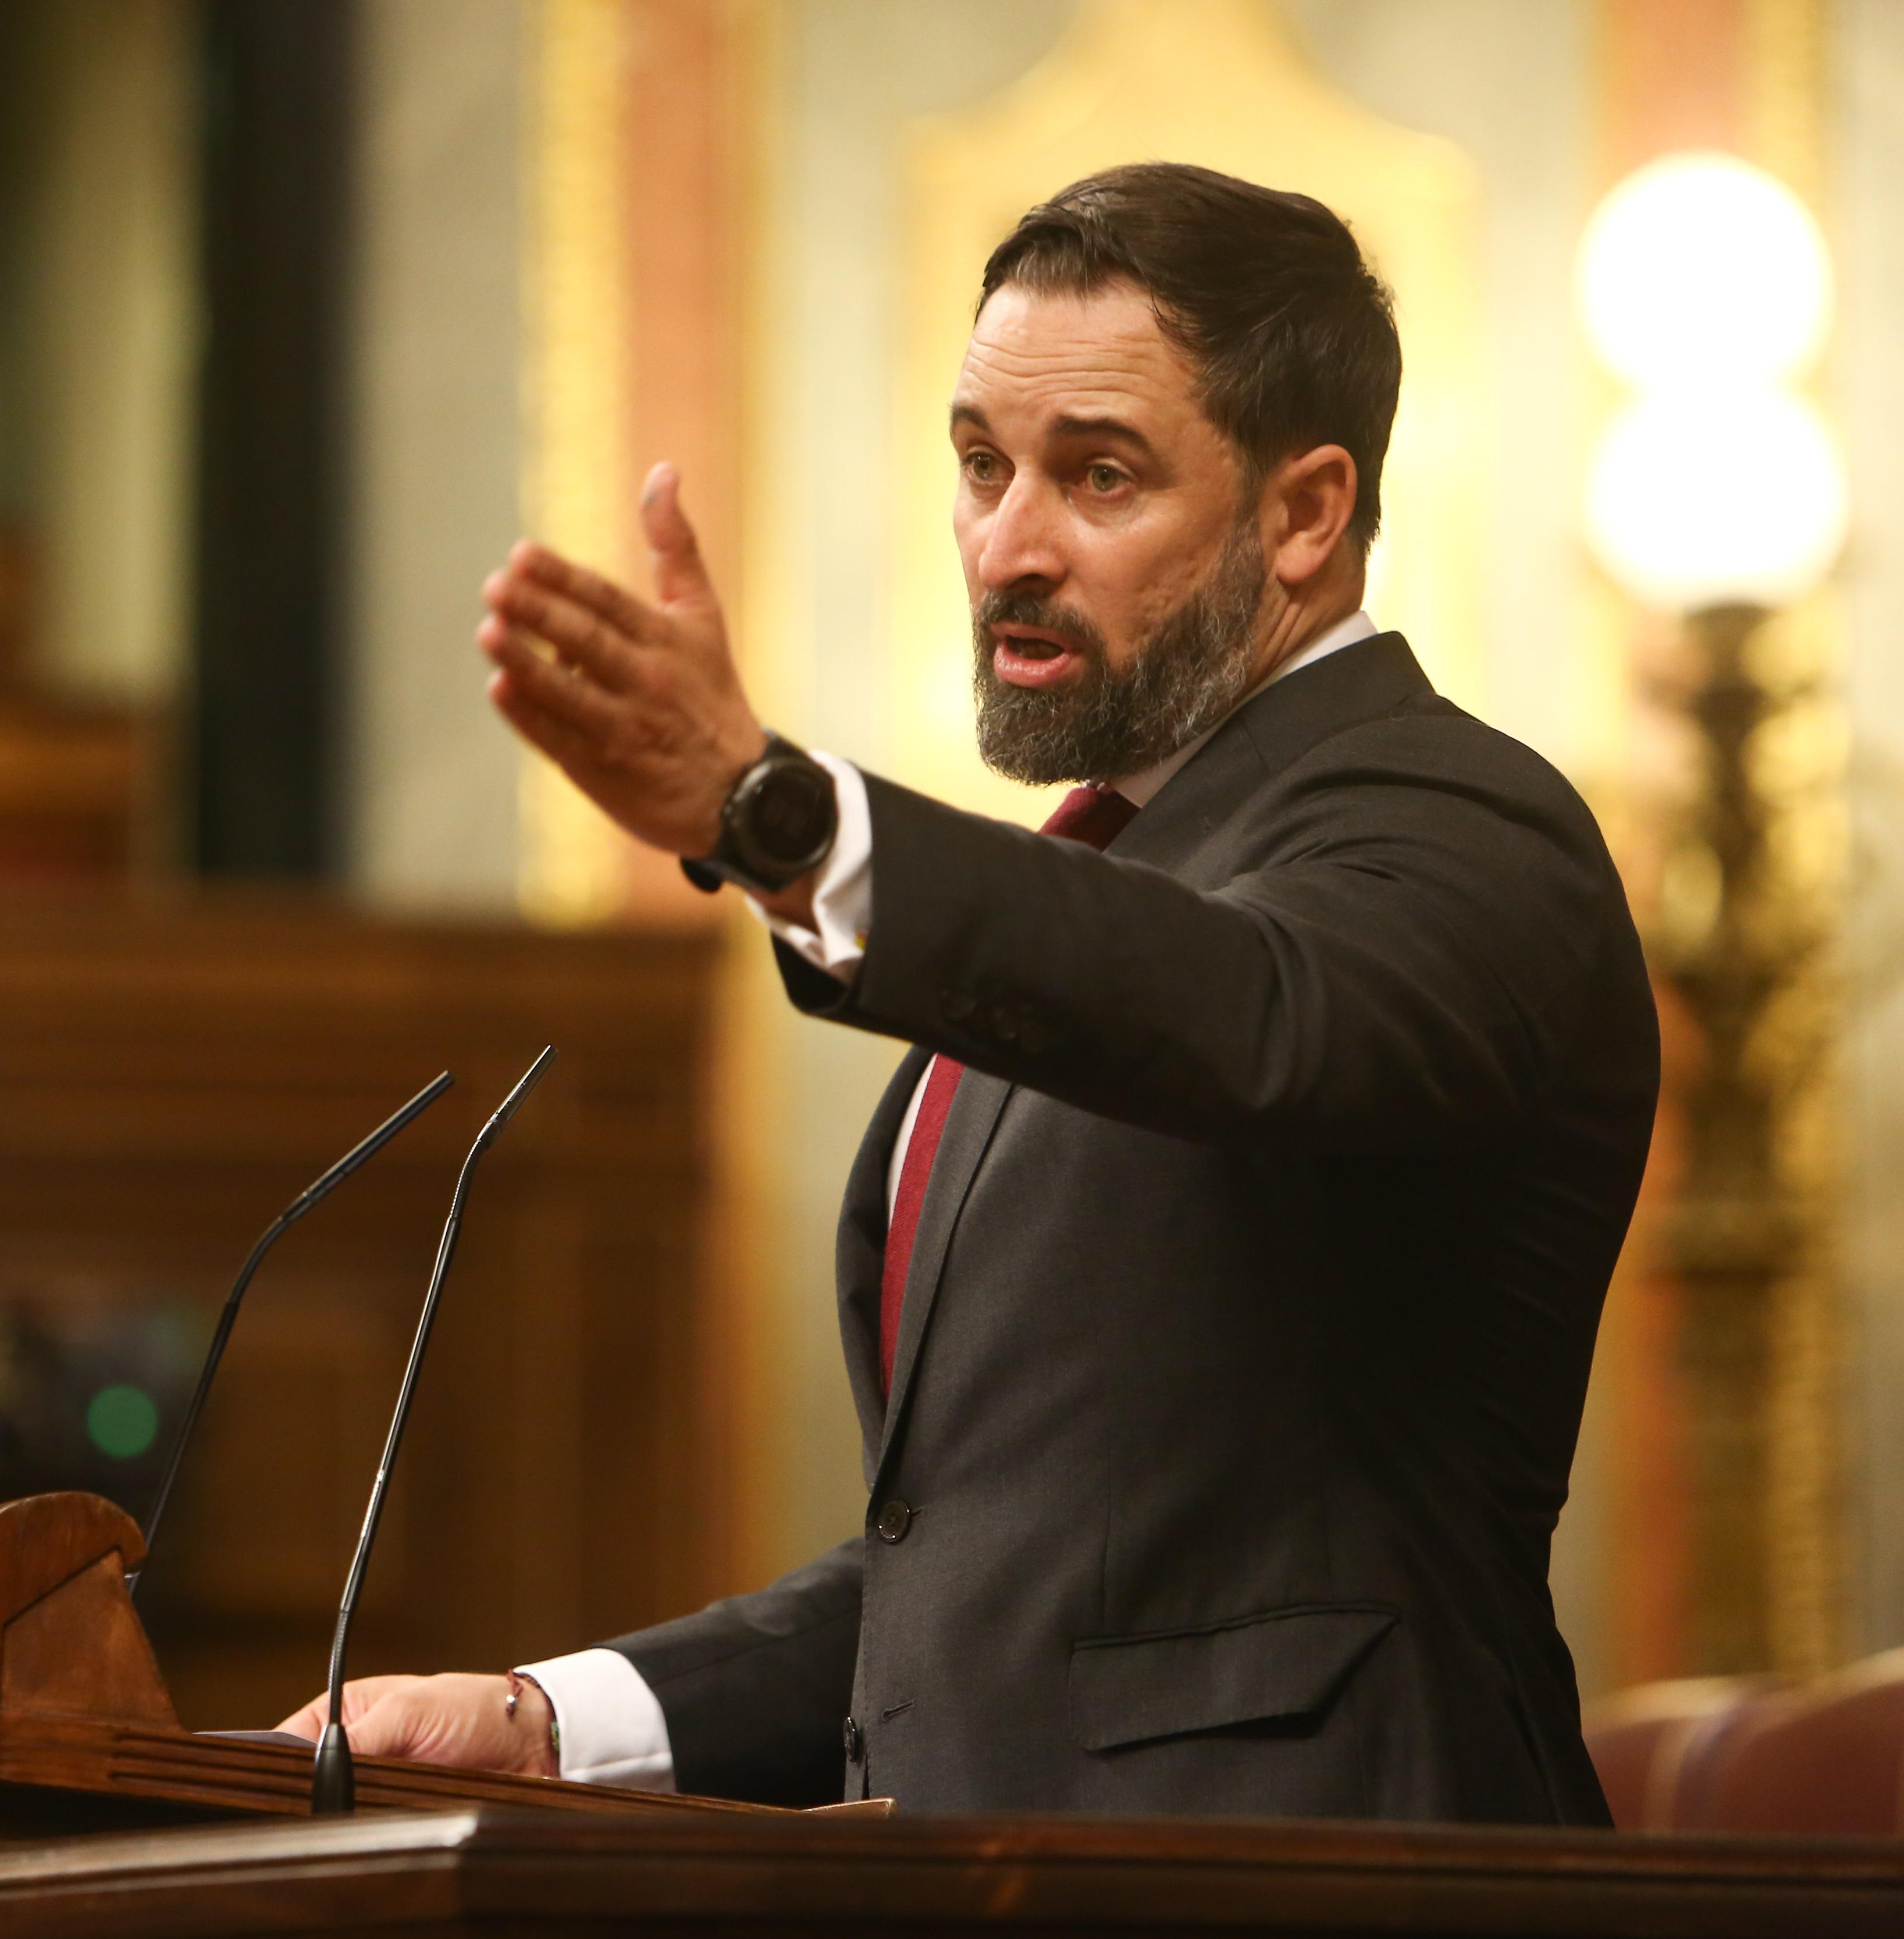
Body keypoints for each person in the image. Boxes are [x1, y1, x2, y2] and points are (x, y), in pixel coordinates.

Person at [277, 162, 1658, 1824]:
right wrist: (554, 1722)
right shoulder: (1099, 893)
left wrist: (777, 817)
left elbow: (1260, 1011)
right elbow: (983, 1593)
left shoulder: (1458, 820)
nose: (1007, 548)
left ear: (1305, 513)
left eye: (1098, 477)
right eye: (982, 467)